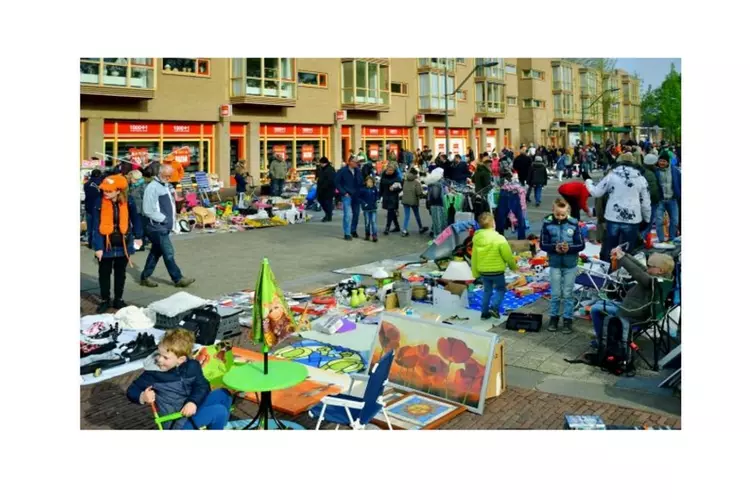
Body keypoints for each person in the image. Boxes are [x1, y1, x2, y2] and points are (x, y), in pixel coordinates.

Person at [126, 328, 232, 430]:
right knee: (219, 411)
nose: (159, 360)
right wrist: (143, 397)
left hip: (192, 408)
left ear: (181, 360)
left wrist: (193, 402)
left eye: (165, 357)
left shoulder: (192, 366)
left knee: (224, 394)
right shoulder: (153, 374)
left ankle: (220, 425)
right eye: (159, 354)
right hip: (177, 421)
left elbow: (202, 385)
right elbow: (132, 390)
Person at [590, 247, 674, 348]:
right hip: (633, 307)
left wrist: (622, 259)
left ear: (660, 270)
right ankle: (609, 337)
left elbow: (638, 273)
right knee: (599, 303)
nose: (647, 267)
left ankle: (603, 341)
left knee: (595, 309)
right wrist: (624, 255)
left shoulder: (654, 282)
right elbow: (641, 269)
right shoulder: (663, 278)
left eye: (650, 265)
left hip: (633, 313)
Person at [585, 152, 651, 262]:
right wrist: (647, 218)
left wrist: (588, 182)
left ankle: (607, 270)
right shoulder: (641, 179)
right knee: (627, 250)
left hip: (613, 216)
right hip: (632, 218)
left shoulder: (611, 176)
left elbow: (596, 192)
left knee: (610, 246)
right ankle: (623, 272)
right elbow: (645, 202)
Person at [92, 174, 143, 313]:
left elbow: (136, 219)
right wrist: (98, 247)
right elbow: (95, 226)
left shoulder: (129, 201)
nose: (105, 193)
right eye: (105, 190)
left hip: (123, 242)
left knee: (120, 272)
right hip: (105, 242)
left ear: (118, 190)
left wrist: (138, 236)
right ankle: (105, 300)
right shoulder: (99, 202)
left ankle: (118, 299)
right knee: (104, 272)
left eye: (109, 191)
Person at [140, 163, 195, 288]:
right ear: (160, 174)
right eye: (167, 176)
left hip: (163, 225)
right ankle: (178, 278)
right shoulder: (152, 187)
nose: (169, 178)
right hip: (157, 226)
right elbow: (148, 210)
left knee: (156, 252)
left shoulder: (165, 186)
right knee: (168, 253)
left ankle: (145, 277)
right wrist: (164, 219)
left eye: (170, 176)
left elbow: (169, 204)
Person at [540, 198, 585, 333]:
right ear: (553, 211)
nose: (560, 217)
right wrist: (554, 248)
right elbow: (542, 244)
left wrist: (569, 248)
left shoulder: (573, 224)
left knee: (567, 293)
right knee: (555, 293)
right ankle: (554, 318)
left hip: (570, 263)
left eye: (563, 214)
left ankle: (567, 320)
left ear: (568, 212)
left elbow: (581, 244)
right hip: (555, 263)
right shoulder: (547, 224)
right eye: (557, 214)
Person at [471, 212, 518, 320]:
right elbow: (508, 255)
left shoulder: (477, 239)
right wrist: (513, 267)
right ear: (493, 224)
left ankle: (484, 313)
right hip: (497, 271)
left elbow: (474, 257)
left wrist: (475, 272)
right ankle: (494, 307)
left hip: (483, 271)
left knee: (487, 291)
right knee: (501, 289)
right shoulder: (499, 238)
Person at [653, 151, 681, 242]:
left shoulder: (675, 171)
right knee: (659, 221)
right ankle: (661, 240)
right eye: (660, 161)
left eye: (664, 161)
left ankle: (672, 238)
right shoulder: (655, 172)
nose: (661, 163)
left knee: (675, 220)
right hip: (660, 200)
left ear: (668, 162)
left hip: (672, 199)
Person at [334, 156, 363, 241]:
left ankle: (353, 230)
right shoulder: (343, 171)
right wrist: (343, 192)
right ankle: (347, 233)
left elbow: (361, 181)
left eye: (357, 162)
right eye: (354, 162)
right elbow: (336, 182)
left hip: (356, 195)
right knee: (347, 215)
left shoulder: (358, 171)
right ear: (349, 162)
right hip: (347, 195)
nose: (356, 163)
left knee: (356, 214)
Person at [401, 167, 428, 236]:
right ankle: (420, 228)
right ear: (416, 174)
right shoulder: (417, 182)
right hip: (413, 201)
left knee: (407, 216)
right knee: (417, 215)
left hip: (405, 200)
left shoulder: (405, 180)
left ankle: (404, 230)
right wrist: (424, 194)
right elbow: (419, 193)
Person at [127, 169, 149, 251]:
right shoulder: (133, 186)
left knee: (140, 228)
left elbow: (146, 199)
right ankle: (140, 244)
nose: (130, 180)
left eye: (131, 178)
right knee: (138, 228)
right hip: (135, 210)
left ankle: (141, 245)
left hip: (141, 210)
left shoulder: (143, 186)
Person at [379, 162, 402, 235]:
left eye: (392, 170)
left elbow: (400, 187)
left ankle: (387, 228)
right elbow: (381, 186)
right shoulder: (383, 175)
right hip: (386, 196)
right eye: (389, 170)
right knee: (391, 212)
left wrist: (394, 189)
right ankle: (397, 226)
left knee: (390, 211)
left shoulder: (397, 177)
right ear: (387, 169)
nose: (390, 171)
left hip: (393, 196)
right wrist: (379, 196)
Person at [84, 169, 103, 248]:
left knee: (90, 227)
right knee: (98, 227)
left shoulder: (87, 184)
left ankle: (90, 242)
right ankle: (98, 243)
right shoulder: (102, 184)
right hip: (99, 208)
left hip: (89, 207)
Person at [425, 167, 446, 238]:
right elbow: (437, 196)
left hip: (433, 204)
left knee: (436, 219)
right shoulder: (437, 184)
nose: (443, 175)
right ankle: (438, 235)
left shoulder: (432, 183)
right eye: (442, 174)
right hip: (438, 204)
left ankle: (434, 231)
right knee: (438, 219)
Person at [358, 176, 379, 242]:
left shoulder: (374, 188)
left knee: (373, 222)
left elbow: (377, 195)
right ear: (366, 182)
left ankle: (374, 235)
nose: (370, 183)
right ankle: (367, 234)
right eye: (368, 182)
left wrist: (376, 200)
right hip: (366, 208)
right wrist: (364, 203)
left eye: (371, 182)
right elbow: (359, 198)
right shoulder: (362, 189)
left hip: (373, 208)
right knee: (367, 222)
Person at [316, 157, 336, 222]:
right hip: (322, 189)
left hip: (328, 189)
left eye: (321, 163)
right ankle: (328, 214)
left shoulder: (330, 169)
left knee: (327, 202)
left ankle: (328, 215)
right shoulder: (322, 169)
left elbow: (330, 180)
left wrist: (324, 186)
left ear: (324, 163)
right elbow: (319, 176)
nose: (320, 164)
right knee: (322, 201)